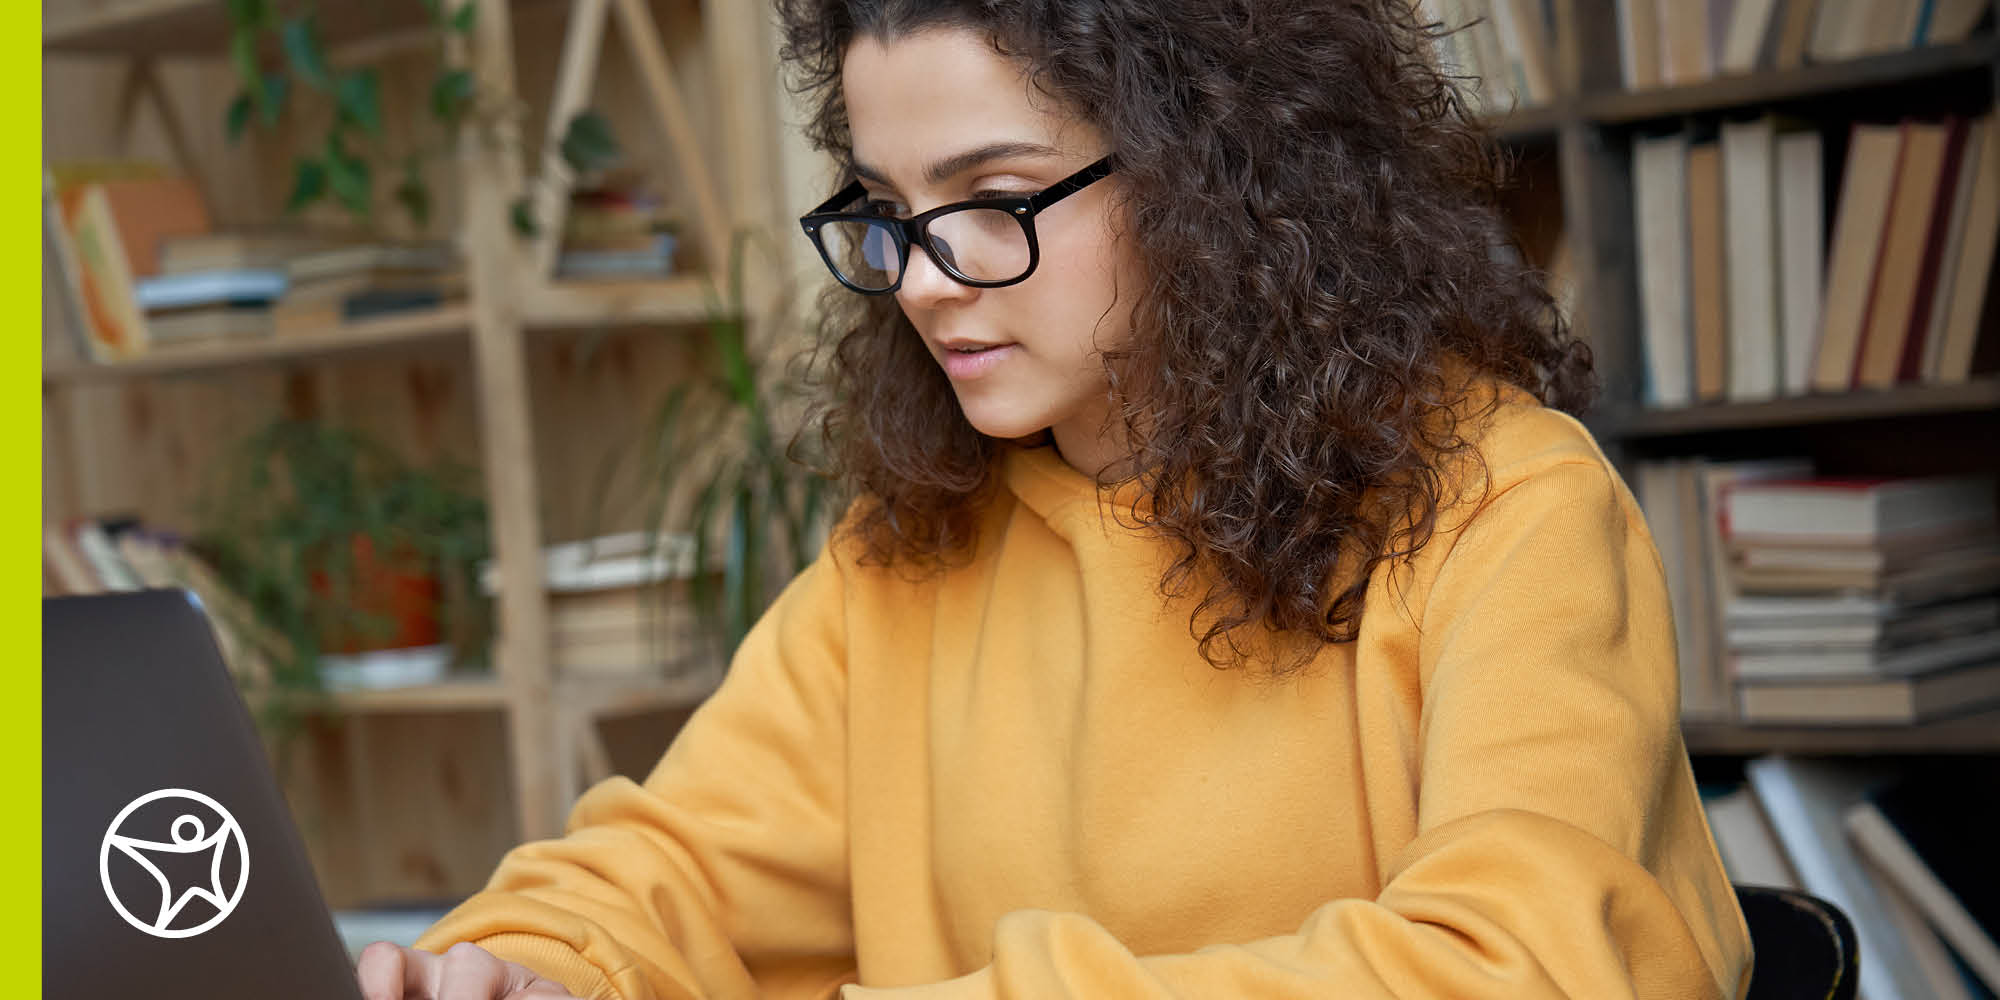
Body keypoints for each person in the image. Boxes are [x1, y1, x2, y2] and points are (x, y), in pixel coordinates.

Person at [354, 2, 1752, 998]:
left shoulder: (1508, 508)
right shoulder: (902, 559)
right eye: (888, 210)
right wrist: (523, 967)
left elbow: (1533, 968)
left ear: (1221, 177)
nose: (921, 275)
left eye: (996, 198)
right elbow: (675, 873)